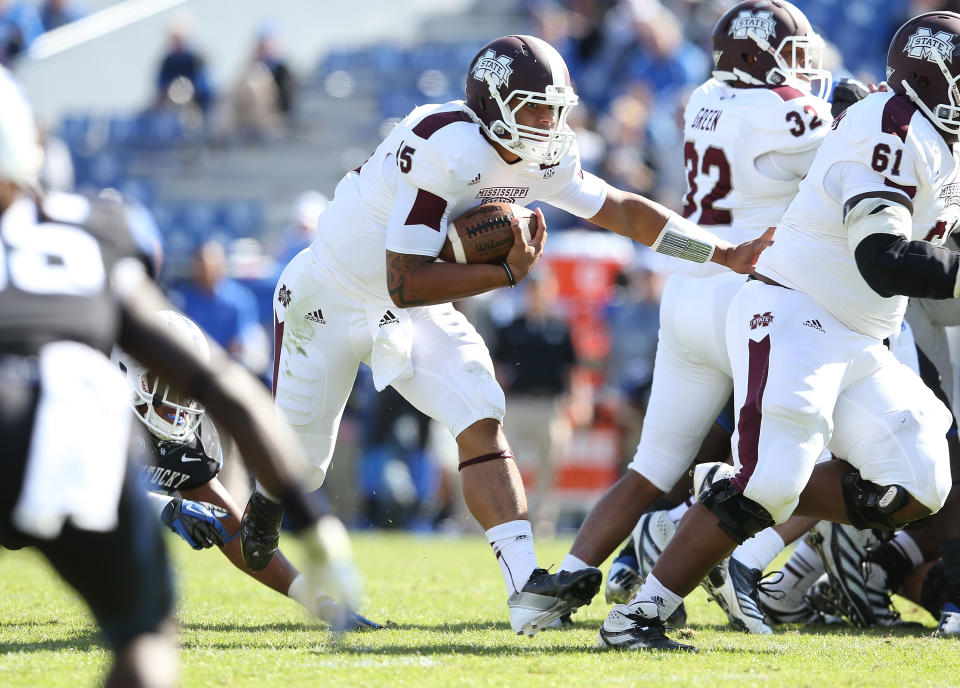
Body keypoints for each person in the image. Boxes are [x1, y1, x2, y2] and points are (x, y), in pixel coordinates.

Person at [240, 33, 774, 637]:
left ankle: (526, 589)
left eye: (555, 108)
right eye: (534, 107)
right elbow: (405, 279)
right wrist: (505, 272)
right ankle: (264, 498)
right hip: (329, 297)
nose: (549, 122)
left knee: (478, 404)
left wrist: (724, 253)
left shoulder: (544, 151)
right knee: (300, 465)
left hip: (409, 308)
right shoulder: (448, 144)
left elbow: (621, 211)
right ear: (493, 103)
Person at [598, 10, 960, 651]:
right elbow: (882, 259)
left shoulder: (935, 138)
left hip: (859, 336)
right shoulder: (891, 130)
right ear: (935, 80)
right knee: (771, 481)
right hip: (797, 315)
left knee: (921, 476)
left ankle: (722, 489)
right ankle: (639, 615)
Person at [0, 67, 358, 686]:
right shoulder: (95, 230)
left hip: (47, 430)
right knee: (146, 635)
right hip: (56, 428)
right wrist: (315, 524)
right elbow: (237, 401)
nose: (173, 405)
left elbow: (229, 525)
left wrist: (310, 597)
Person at [549, 0, 834, 621]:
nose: (801, 67)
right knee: (803, 454)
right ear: (762, 56)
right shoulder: (791, 110)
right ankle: (738, 560)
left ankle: (560, 584)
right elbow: (848, 164)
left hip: (687, 285)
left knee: (651, 465)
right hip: (750, 290)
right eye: (790, 53)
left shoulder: (706, 93)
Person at [113, 310, 380, 630]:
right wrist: (165, 507)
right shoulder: (92, 410)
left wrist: (316, 599)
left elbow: (236, 533)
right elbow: (75, 495)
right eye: (167, 382)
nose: (181, 398)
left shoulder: (187, 437)